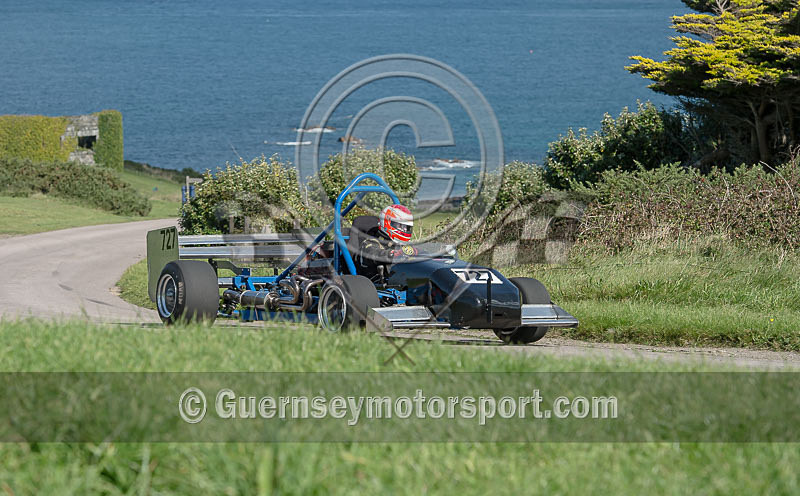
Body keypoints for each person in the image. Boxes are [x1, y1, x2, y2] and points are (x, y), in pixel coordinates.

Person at [357, 204, 417, 279]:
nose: (404, 230)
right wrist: (393, 254)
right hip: (374, 284)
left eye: (406, 227)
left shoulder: (401, 245)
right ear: (387, 223)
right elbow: (374, 255)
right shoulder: (370, 242)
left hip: (400, 281)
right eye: (401, 226)